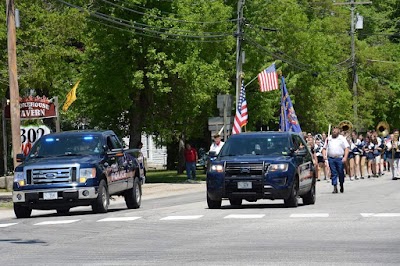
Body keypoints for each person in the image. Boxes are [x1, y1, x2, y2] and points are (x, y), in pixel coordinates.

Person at [322, 127, 349, 193]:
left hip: (339, 158)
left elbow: (346, 148)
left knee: (340, 172)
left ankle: (341, 184)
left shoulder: (342, 138)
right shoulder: (329, 139)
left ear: (338, 131)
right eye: (333, 130)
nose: (334, 131)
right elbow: (324, 148)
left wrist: (345, 157)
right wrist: (324, 156)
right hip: (331, 158)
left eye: (336, 130)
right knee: (333, 173)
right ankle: (335, 187)